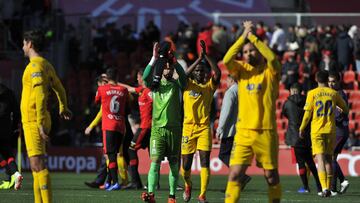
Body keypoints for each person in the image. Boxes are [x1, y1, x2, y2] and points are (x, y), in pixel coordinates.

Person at [223, 20, 282, 203]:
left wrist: (253, 38)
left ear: (258, 50)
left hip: (266, 132)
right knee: (234, 175)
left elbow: (272, 58)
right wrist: (243, 37)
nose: (248, 54)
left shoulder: (270, 72)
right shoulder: (241, 70)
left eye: (251, 51)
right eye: (245, 52)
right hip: (243, 133)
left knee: (271, 176)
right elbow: (226, 60)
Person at [21, 29, 72, 203]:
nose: (22, 47)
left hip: (34, 120)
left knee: (38, 165)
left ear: (30, 44)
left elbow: (41, 94)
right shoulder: (47, 64)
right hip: (39, 119)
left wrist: (40, 123)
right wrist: (63, 107)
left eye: (24, 43)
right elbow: (60, 88)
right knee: (35, 167)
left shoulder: (34, 66)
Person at [141, 41, 187, 203]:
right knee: (155, 163)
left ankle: (172, 196)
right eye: (165, 67)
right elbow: (145, 77)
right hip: (157, 129)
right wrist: (154, 59)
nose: (167, 69)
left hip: (174, 129)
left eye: (169, 67)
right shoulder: (156, 85)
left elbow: (184, 78)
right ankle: (151, 194)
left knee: (174, 165)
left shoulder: (178, 85)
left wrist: (174, 62)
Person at [181, 40, 221, 203]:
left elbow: (217, 72)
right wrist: (198, 60)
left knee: (205, 160)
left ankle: (202, 194)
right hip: (187, 129)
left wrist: (206, 57)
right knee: (186, 167)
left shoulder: (209, 87)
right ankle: (188, 184)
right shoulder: (187, 85)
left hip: (204, 128)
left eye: (202, 71)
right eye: (197, 70)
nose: (200, 73)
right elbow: (183, 75)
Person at [299, 70, 348, 197]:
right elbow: (346, 109)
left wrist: (302, 128)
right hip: (331, 130)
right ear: (327, 79)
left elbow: (307, 114)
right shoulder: (333, 93)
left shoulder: (312, 93)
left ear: (316, 79)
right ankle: (330, 189)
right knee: (329, 159)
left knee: (320, 159)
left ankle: (325, 188)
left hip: (317, 131)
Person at [281, 83, 322, 194]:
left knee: (301, 163)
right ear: (301, 91)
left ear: (291, 90)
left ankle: (305, 187)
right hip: (306, 136)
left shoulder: (287, 103)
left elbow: (284, 114)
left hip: (294, 137)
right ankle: (319, 186)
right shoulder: (307, 101)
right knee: (311, 163)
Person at [94, 68, 130, 191]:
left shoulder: (101, 89)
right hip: (120, 125)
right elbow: (128, 105)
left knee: (110, 155)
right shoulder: (124, 90)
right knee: (115, 154)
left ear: (106, 79)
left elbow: (96, 101)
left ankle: (115, 182)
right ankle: (109, 182)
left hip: (108, 125)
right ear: (117, 76)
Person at [118, 69, 153, 190]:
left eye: (138, 77)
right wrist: (114, 83)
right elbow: (129, 89)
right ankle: (151, 182)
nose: (137, 80)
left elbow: (158, 104)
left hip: (146, 127)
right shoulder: (141, 90)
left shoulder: (148, 92)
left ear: (143, 78)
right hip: (146, 126)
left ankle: (136, 182)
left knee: (131, 150)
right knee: (152, 155)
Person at [215, 75, 251, 191]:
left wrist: (220, 128)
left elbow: (226, 112)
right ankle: (235, 183)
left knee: (223, 155)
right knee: (234, 157)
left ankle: (241, 177)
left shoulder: (231, 93)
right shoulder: (243, 91)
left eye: (226, 80)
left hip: (230, 131)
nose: (225, 82)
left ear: (231, 80)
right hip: (241, 130)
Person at [328, 72, 350, 195]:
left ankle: (341, 181)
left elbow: (340, 115)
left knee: (330, 157)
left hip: (339, 130)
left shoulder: (338, 95)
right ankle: (333, 187)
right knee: (332, 158)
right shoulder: (337, 94)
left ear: (338, 82)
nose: (331, 83)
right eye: (329, 81)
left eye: (333, 81)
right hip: (340, 130)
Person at [0, 82, 22, 190]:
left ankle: (10, 173)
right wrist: (14, 128)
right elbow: (17, 112)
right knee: (7, 154)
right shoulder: (9, 92)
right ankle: (16, 174)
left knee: (3, 155)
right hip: (6, 129)